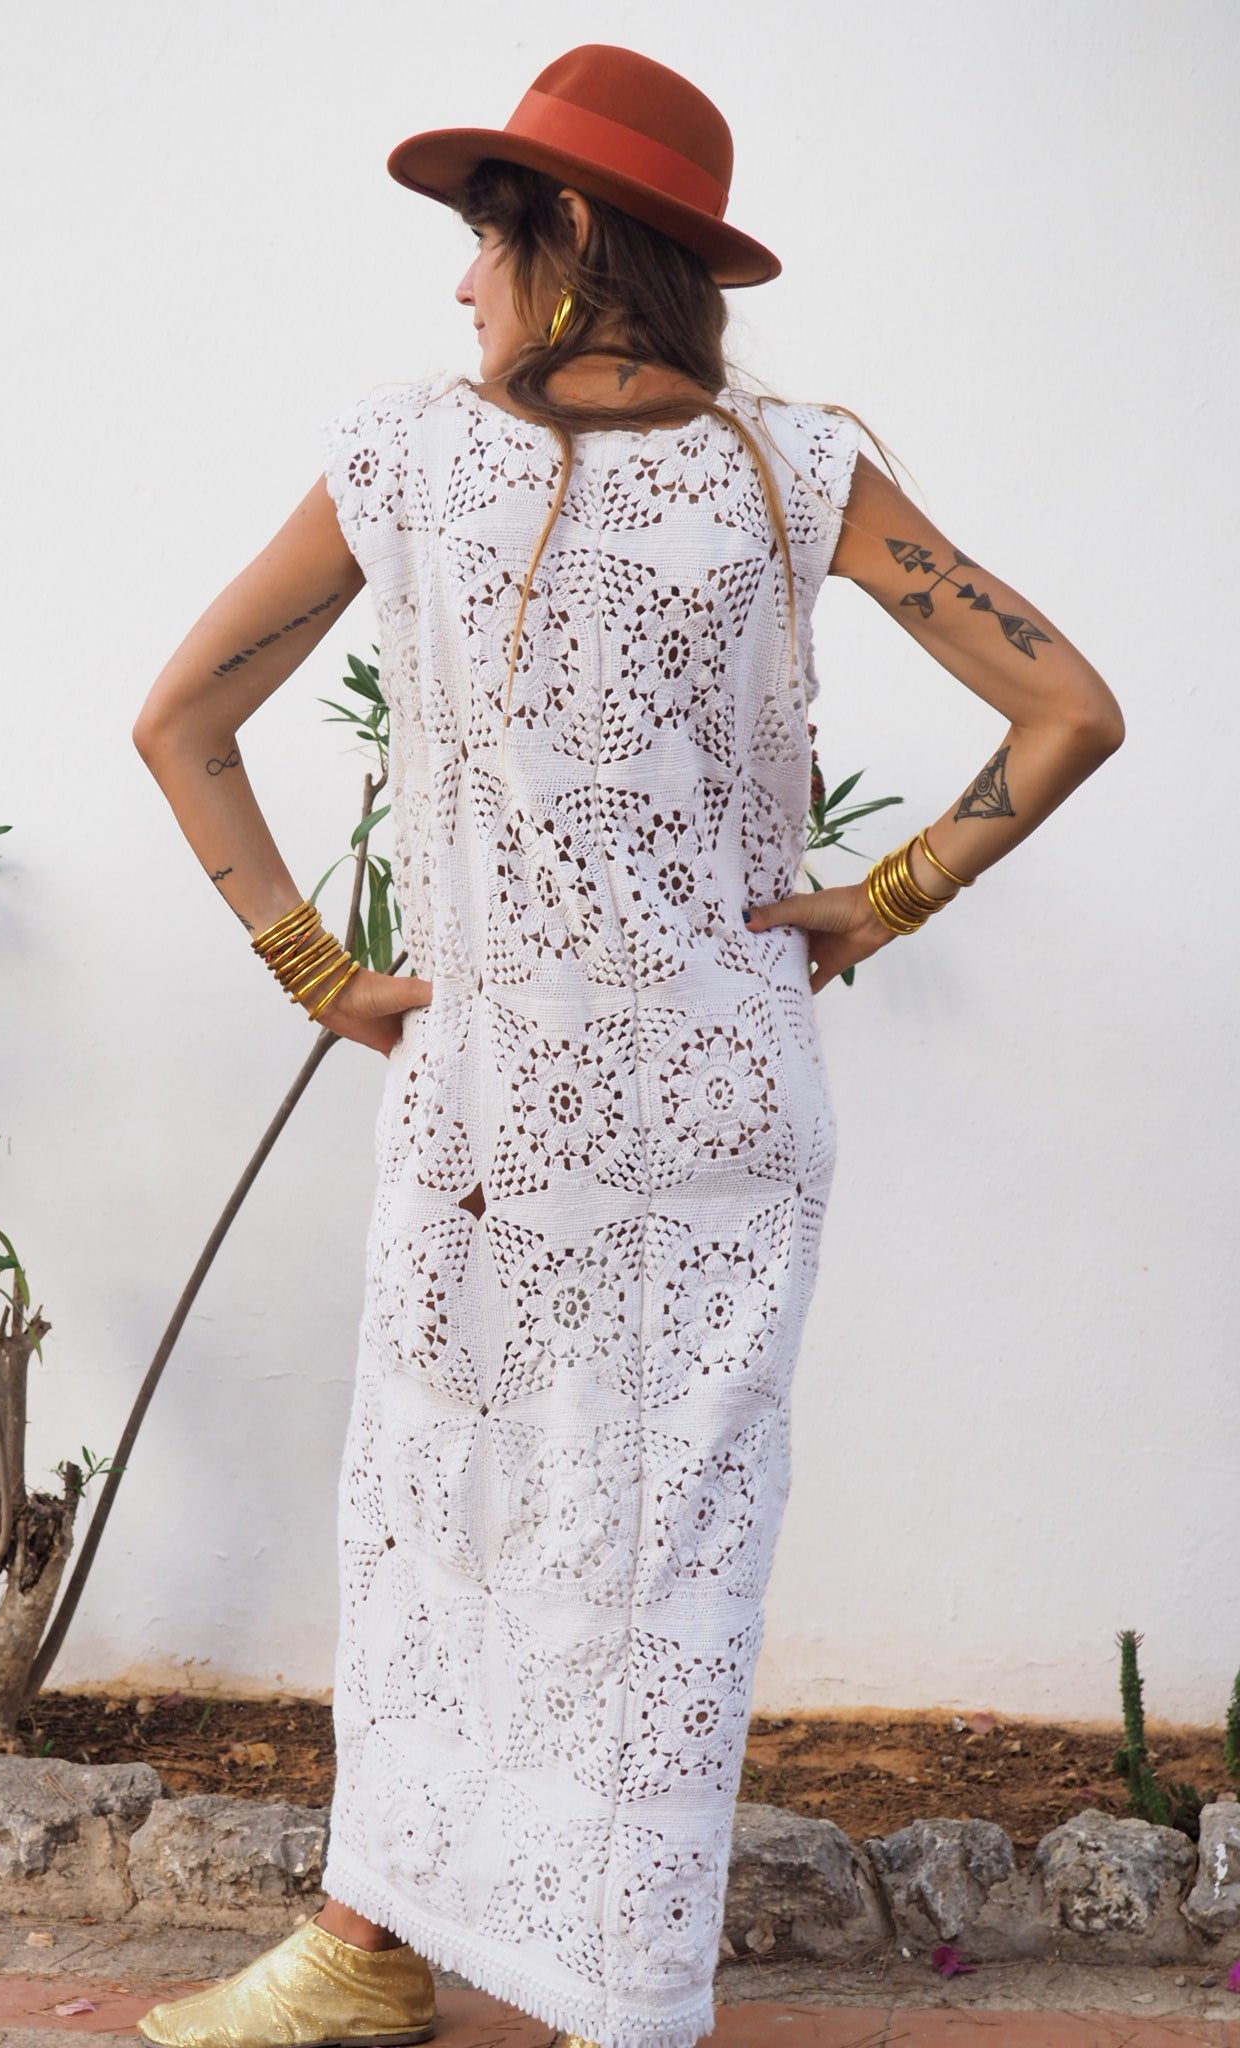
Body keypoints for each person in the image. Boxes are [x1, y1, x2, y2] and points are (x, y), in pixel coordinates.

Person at [129, 41, 1125, 2048]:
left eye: (480, 236)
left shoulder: (405, 460)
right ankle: (538, 1979)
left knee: (443, 1526)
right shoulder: (797, 470)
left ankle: (380, 1959)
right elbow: (1069, 711)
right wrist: (881, 901)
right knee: (661, 1551)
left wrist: (321, 973)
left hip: (496, 1111)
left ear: (568, 225)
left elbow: (180, 721)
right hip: (716, 1108)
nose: (459, 284)